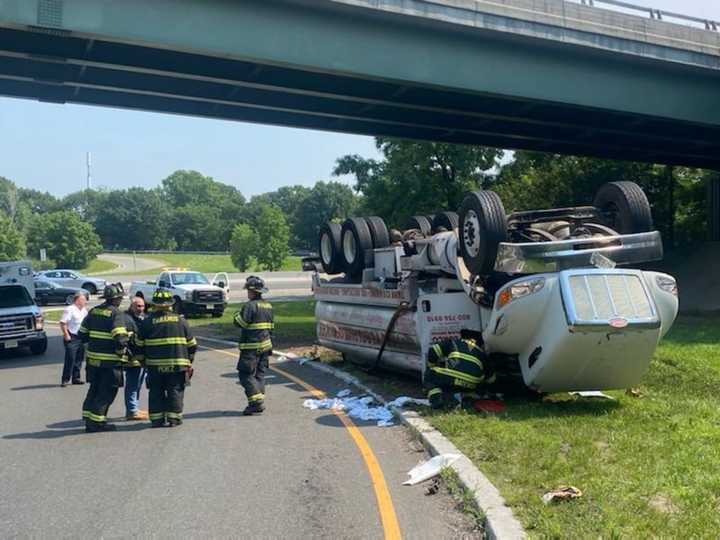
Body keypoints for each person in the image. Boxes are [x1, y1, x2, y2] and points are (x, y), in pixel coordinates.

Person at [136, 289, 197, 428]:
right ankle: (174, 419)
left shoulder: (147, 322)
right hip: (177, 365)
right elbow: (192, 345)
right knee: (175, 390)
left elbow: (138, 345)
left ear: (155, 305)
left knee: (156, 391)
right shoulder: (181, 321)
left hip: (154, 366)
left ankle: (157, 419)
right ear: (170, 304)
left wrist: (142, 362)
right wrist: (189, 361)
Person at [78, 283, 129, 432]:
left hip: (93, 361)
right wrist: (122, 353)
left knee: (94, 389)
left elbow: (82, 333)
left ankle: (88, 419)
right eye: (120, 298)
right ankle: (97, 422)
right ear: (116, 299)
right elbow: (120, 338)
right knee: (107, 392)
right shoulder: (116, 313)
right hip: (110, 363)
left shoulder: (93, 311)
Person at [424, 329, 496, 410]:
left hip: (453, 377)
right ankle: (468, 401)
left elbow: (433, 350)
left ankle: (437, 400)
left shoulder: (454, 342)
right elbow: (491, 379)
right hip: (472, 383)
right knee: (475, 385)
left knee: (430, 374)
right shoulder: (482, 353)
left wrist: (431, 365)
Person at [233, 276, 274, 416]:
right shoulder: (268, 306)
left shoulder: (250, 306)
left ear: (252, 291)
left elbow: (241, 323)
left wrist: (236, 315)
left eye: (248, 291)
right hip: (266, 346)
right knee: (259, 375)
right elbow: (271, 327)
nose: (247, 293)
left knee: (245, 374)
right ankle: (257, 401)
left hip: (251, 347)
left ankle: (256, 402)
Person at [124, 296, 148, 421]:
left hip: (141, 359)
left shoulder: (142, 318)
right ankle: (132, 411)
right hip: (131, 358)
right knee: (132, 384)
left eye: (142, 306)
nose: (141, 309)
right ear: (132, 306)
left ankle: (134, 408)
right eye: (138, 306)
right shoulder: (127, 319)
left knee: (138, 384)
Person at [59, 291, 88, 387]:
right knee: (70, 358)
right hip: (72, 336)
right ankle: (65, 379)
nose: (85, 301)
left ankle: (76, 378)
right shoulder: (70, 309)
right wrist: (66, 334)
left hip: (81, 337)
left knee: (79, 358)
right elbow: (63, 323)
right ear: (77, 300)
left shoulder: (84, 310)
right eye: (83, 299)